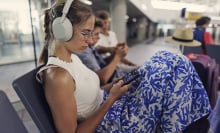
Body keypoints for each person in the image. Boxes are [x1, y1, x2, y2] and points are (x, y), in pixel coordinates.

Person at [37, 0, 211, 132]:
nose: (90, 40)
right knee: (176, 64)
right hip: (113, 121)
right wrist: (112, 98)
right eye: (85, 33)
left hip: (112, 103)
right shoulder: (58, 76)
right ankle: (193, 121)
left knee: (166, 57)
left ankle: (189, 121)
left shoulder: (72, 59)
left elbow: (90, 90)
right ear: (62, 30)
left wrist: (114, 86)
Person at [77, 18, 134, 84]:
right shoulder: (84, 51)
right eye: (96, 34)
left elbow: (103, 63)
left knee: (142, 69)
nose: (99, 37)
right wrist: (118, 56)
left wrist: (116, 53)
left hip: (116, 73)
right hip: (113, 80)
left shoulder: (91, 47)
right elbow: (102, 79)